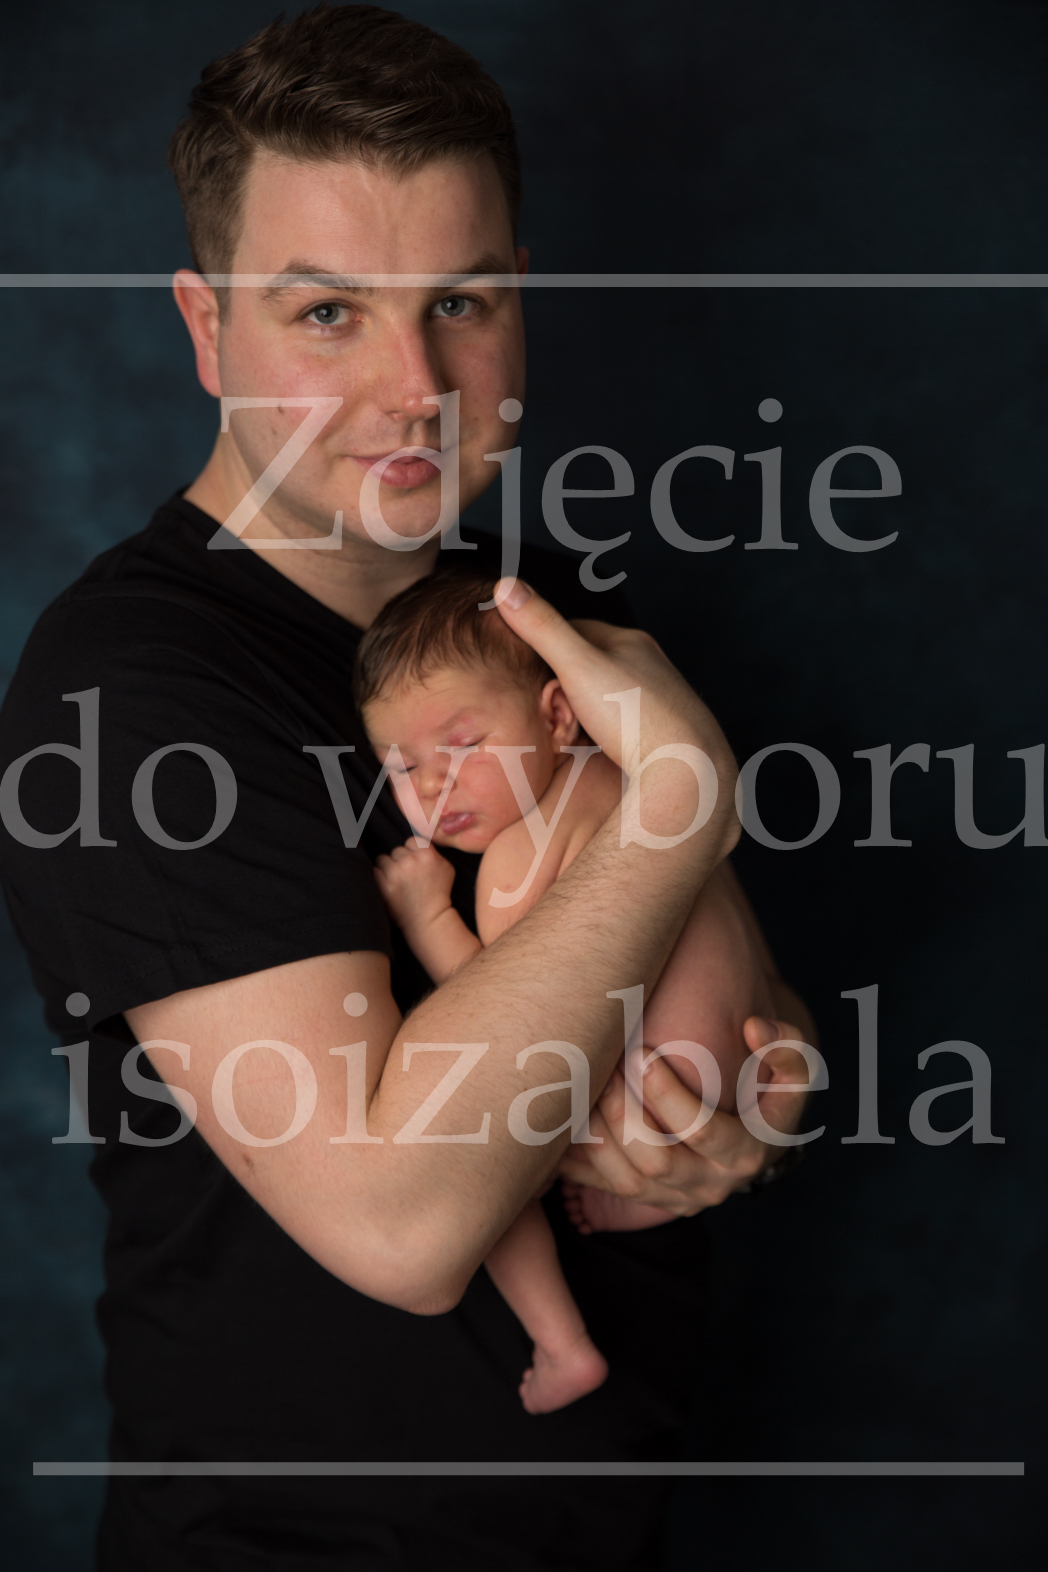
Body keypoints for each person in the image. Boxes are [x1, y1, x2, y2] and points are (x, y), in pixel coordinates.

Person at [0, 7, 815, 1568]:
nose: (416, 385)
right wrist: (676, 801)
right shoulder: (134, 688)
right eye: (326, 312)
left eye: (461, 300)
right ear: (205, 329)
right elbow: (400, 1225)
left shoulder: (545, 612)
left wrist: (755, 1115)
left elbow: (745, 996)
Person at [355, 568, 778, 1416]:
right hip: (743, 1085)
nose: (432, 785)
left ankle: (561, 1342)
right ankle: (635, 1206)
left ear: (556, 713)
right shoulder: (629, 772)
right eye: (402, 766)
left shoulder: (518, 856)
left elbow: (508, 1016)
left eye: (463, 746)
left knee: (468, 1170)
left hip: (647, 1098)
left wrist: (428, 914)